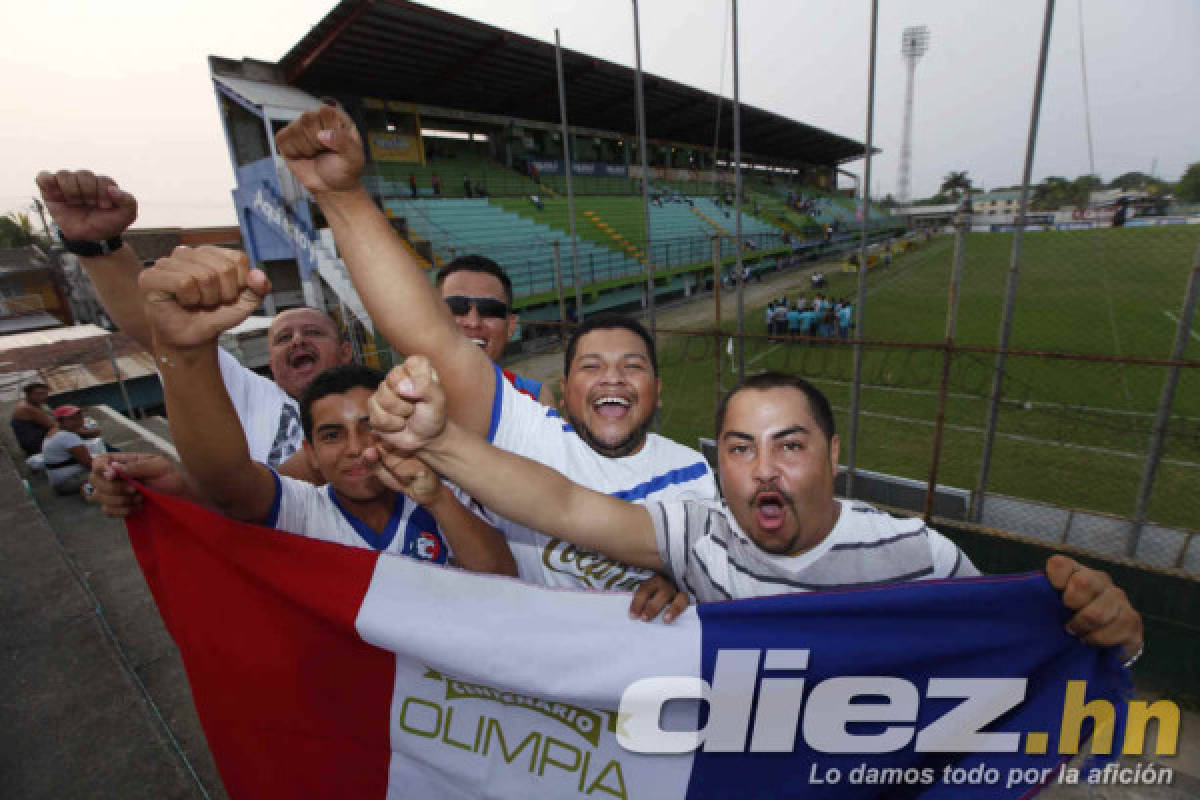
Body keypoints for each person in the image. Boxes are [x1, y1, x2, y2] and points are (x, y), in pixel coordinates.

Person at [368, 362, 1145, 666]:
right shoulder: (697, 536)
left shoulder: (919, 553)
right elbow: (565, 502)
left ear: (833, 455)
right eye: (740, 448)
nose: (764, 470)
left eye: (790, 446)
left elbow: (1014, 655)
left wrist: (1111, 633)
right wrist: (439, 441)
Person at [135, 252, 515, 576]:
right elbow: (229, 484)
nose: (355, 447)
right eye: (333, 434)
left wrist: (439, 501)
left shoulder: (439, 492)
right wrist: (184, 351)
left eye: (370, 427)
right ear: (309, 454)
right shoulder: (300, 509)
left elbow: (506, 578)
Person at [34, 171, 352, 479]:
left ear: (345, 353)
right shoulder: (250, 395)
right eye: (283, 338)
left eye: (313, 332)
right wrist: (96, 244)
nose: (297, 340)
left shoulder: (387, 404)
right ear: (270, 363)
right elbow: (158, 331)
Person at [434, 255, 554, 406]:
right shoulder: (402, 402)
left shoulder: (535, 401)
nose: (473, 322)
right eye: (456, 307)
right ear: (433, 317)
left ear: (510, 327)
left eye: (490, 309)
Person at [41, 406, 98, 495]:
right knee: (111, 473)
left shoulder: (54, 431)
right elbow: (88, 463)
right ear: (60, 421)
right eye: (72, 419)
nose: (78, 421)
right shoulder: (68, 436)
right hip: (67, 483)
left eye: (80, 418)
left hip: (58, 482)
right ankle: (88, 490)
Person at [10, 382, 58, 456]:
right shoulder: (26, 407)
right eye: (38, 394)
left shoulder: (38, 404)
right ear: (28, 394)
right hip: (36, 445)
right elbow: (52, 425)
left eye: (45, 393)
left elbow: (54, 417)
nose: (43, 396)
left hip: (38, 441)